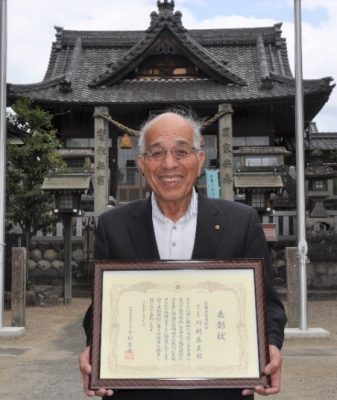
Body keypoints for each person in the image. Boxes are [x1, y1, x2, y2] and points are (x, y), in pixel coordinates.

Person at [79, 110, 287, 399]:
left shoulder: (241, 222)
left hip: (220, 390)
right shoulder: (113, 226)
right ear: (141, 163)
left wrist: (271, 345)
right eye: (156, 153)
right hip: (137, 391)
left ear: (199, 160)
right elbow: (101, 308)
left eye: (181, 151)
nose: (168, 164)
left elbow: (269, 305)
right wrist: (97, 347)